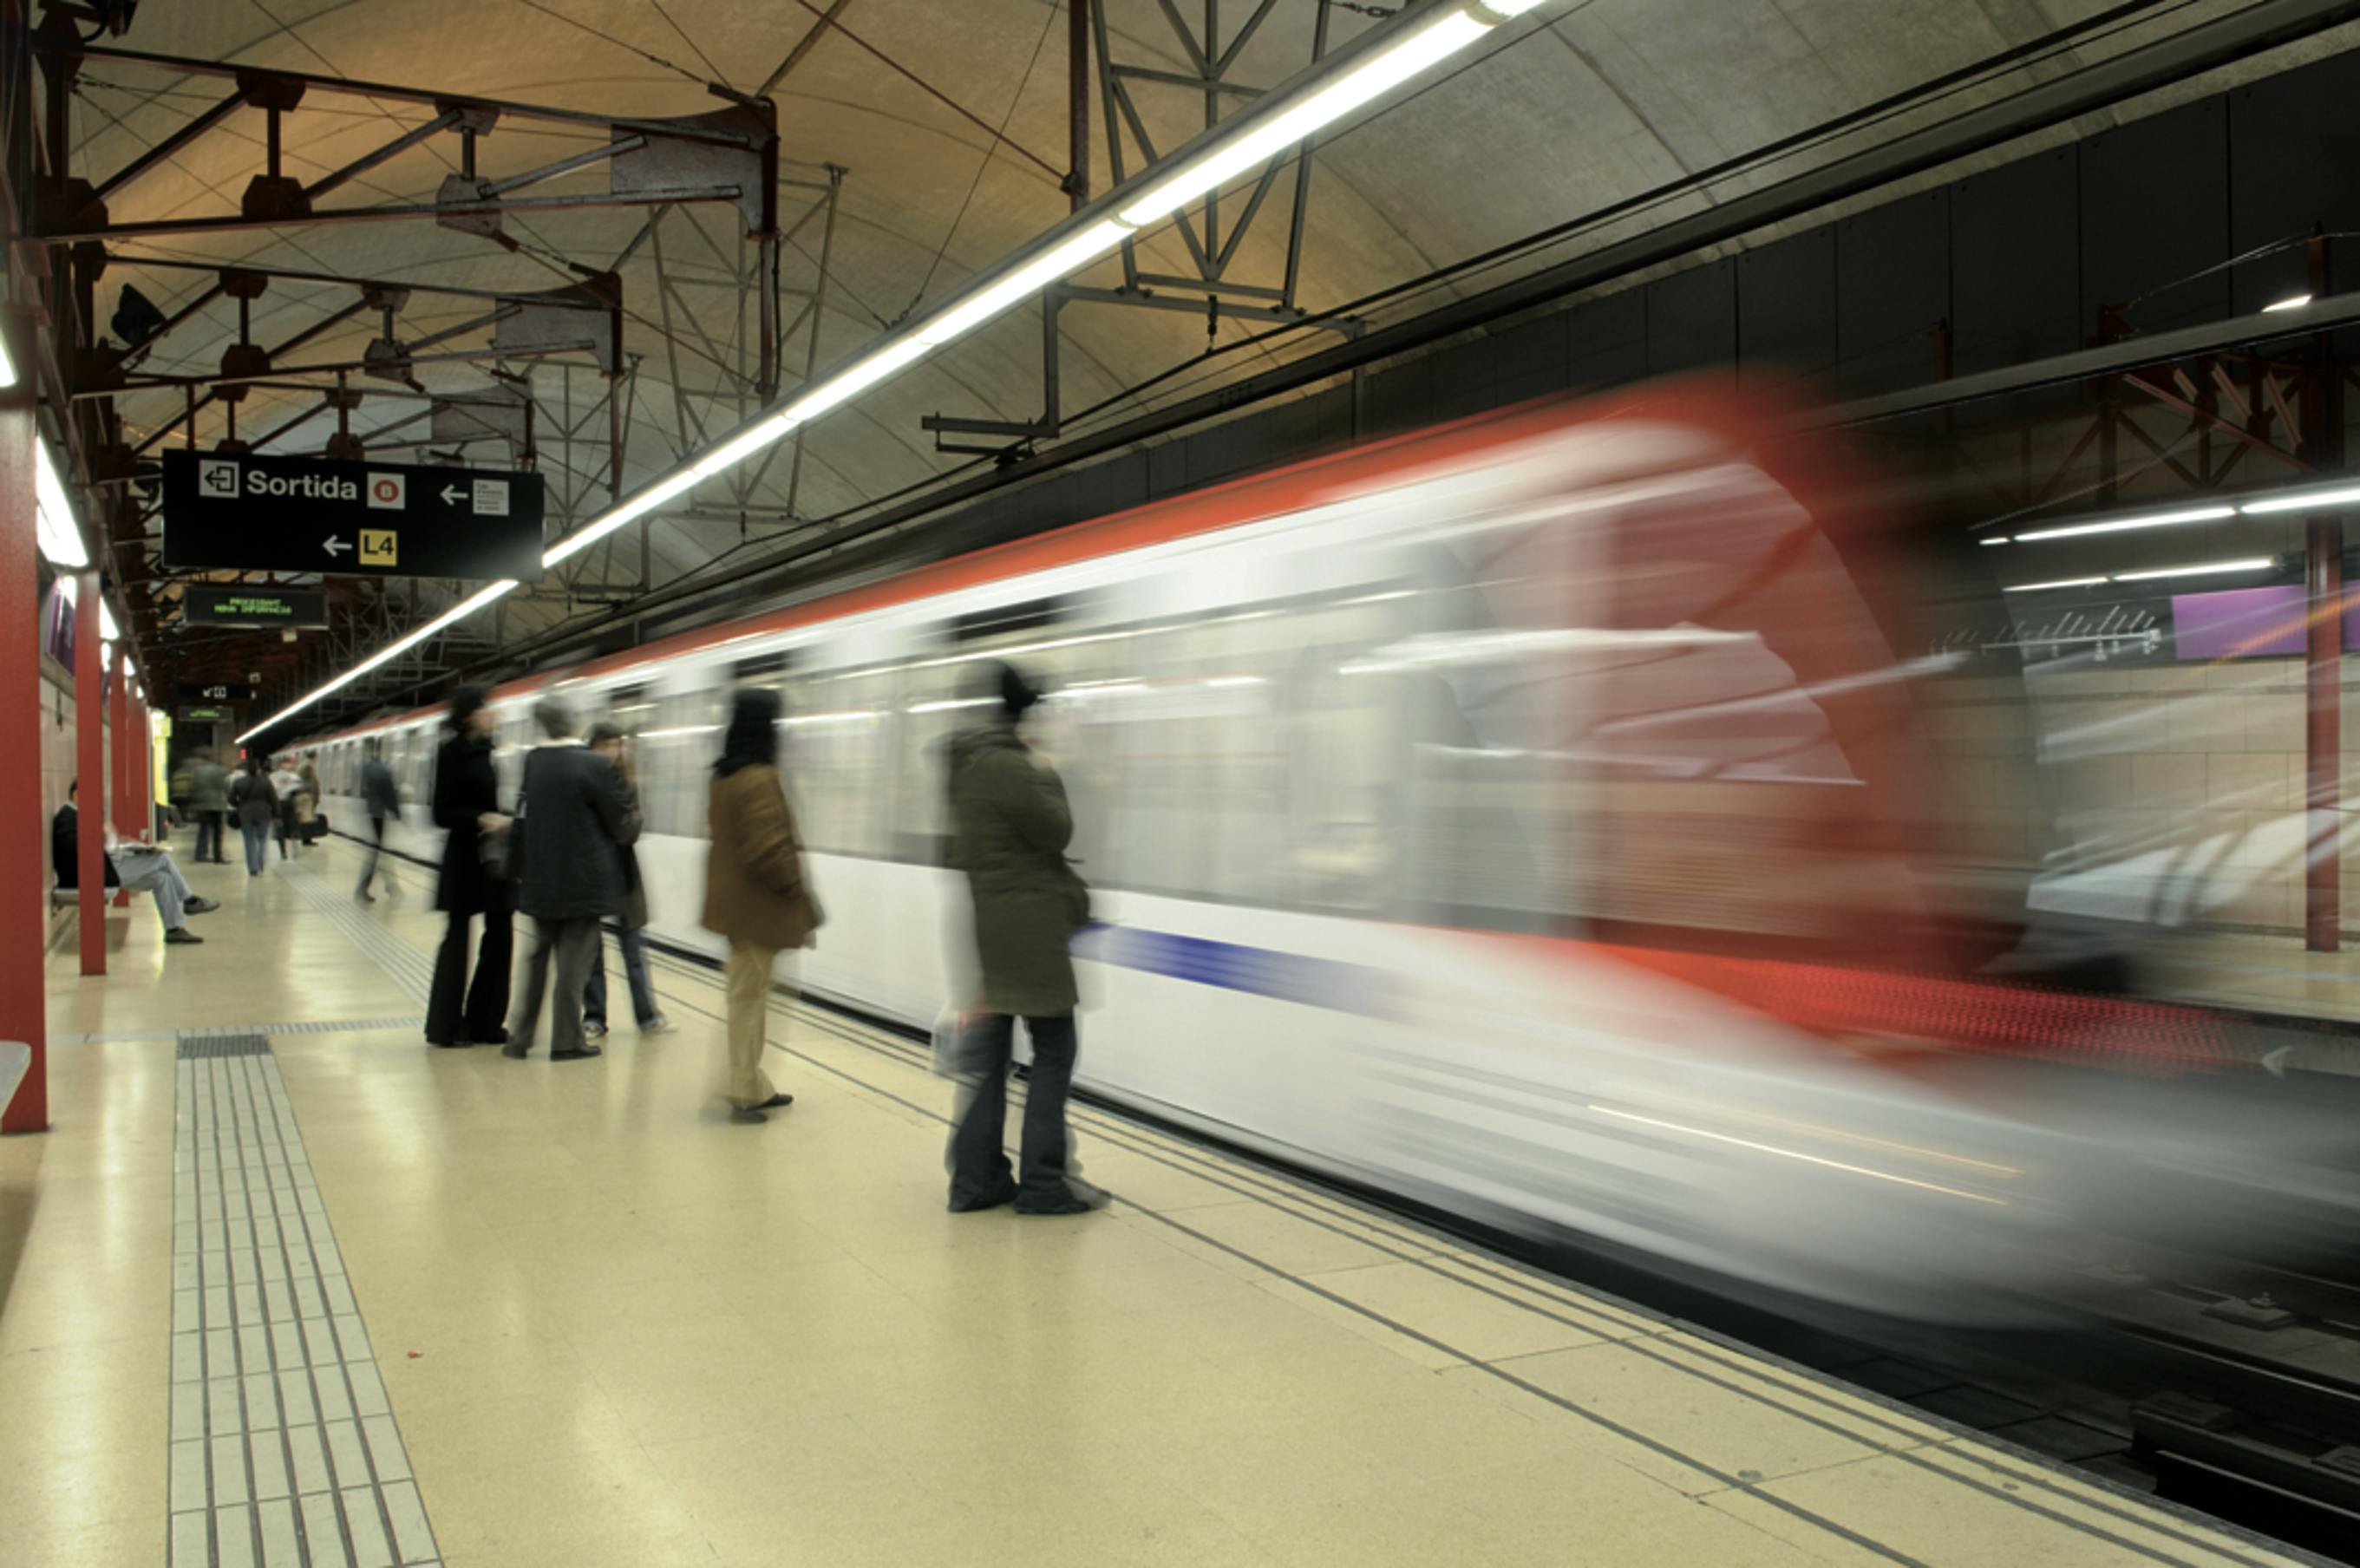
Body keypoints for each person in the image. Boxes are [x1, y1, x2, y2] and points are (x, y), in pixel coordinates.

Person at [943, 662, 1102, 1215]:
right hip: (1031, 927)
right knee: (1056, 1049)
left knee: (989, 1056)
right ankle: (1042, 1183)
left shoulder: (962, 762)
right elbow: (1057, 830)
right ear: (1021, 714)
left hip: (990, 923)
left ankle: (976, 1179)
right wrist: (1046, 767)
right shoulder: (1014, 766)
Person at [700, 688, 819, 1123]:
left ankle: (750, 1082)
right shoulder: (758, 778)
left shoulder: (725, 775)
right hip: (758, 909)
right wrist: (793, 886)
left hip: (739, 909)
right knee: (749, 1001)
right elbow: (767, 848)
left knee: (749, 998)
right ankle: (741, 1089)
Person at [505, 695, 633, 1062]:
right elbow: (619, 819)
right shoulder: (592, 764)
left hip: (540, 880)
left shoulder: (535, 761)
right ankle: (566, 1041)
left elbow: (524, 812)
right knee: (573, 967)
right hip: (583, 882)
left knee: (536, 961)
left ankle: (520, 1038)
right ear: (573, 722)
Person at [426, 686, 513, 1049]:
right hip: (464, 858)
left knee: (500, 935)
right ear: (469, 715)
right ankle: (446, 1028)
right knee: (458, 940)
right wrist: (481, 819)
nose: (493, 713)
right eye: (486, 708)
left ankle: (486, 1022)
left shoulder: (487, 750)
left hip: (492, 859)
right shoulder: (452, 752)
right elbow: (441, 813)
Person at [580, 722, 671, 1041]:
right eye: (605, 746)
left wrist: (619, 826)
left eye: (616, 746)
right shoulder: (583, 781)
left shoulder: (627, 784)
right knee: (591, 953)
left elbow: (627, 831)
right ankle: (593, 1017)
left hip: (623, 875)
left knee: (633, 951)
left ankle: (647, 1015)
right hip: (591, 877)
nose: (612, 753)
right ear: (591, 748)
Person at [51, 781, 219, 944]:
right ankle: (189, 900)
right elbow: (76, 848)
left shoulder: (79, 815)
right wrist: (99, 837)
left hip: (104, 866)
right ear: (77, 794)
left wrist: (121, 845)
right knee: (161, 858)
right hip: (91, 874)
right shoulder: (66, 817)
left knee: (162, 878)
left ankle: (174, 929)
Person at [356, 738, 402, 903]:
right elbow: (388, 792)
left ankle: (390, 886)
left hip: (372, 812)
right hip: (378, 814)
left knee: (378, 850)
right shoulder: (379, 769)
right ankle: (363, 889)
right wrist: (396, 811)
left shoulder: (367, 767)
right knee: (376, 852)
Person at [229, 757, 278, 876]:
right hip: (264, 813)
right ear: (258, 769)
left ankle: (253, 867)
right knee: (262, 840)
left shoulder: (239, 782)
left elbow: (231, 799)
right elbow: (274, 799)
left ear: (246, 769)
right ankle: (261, 863)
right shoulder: (266, 781)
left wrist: (240, 805)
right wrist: (277, 814)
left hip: (245, 814)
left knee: (249, 840)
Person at [187, 749, 230, 865]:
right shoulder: (220, 771)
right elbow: (225, 786)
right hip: (217, 804)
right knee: (217, 832)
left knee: (203, 830)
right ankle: (218, 856)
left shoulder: (197, 771)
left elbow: (192, 788)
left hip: (202, 805)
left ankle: (200, 855)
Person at [269, 756, 303, 859]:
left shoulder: (273, 776)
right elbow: (298, 789)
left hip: (281, 804)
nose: (289, 765)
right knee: (289, 826)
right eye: (287, 763)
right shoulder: (293, 777)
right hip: (285, 803)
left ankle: (286, 851)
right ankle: (287, 850)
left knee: (282, 827)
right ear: (282, 764)